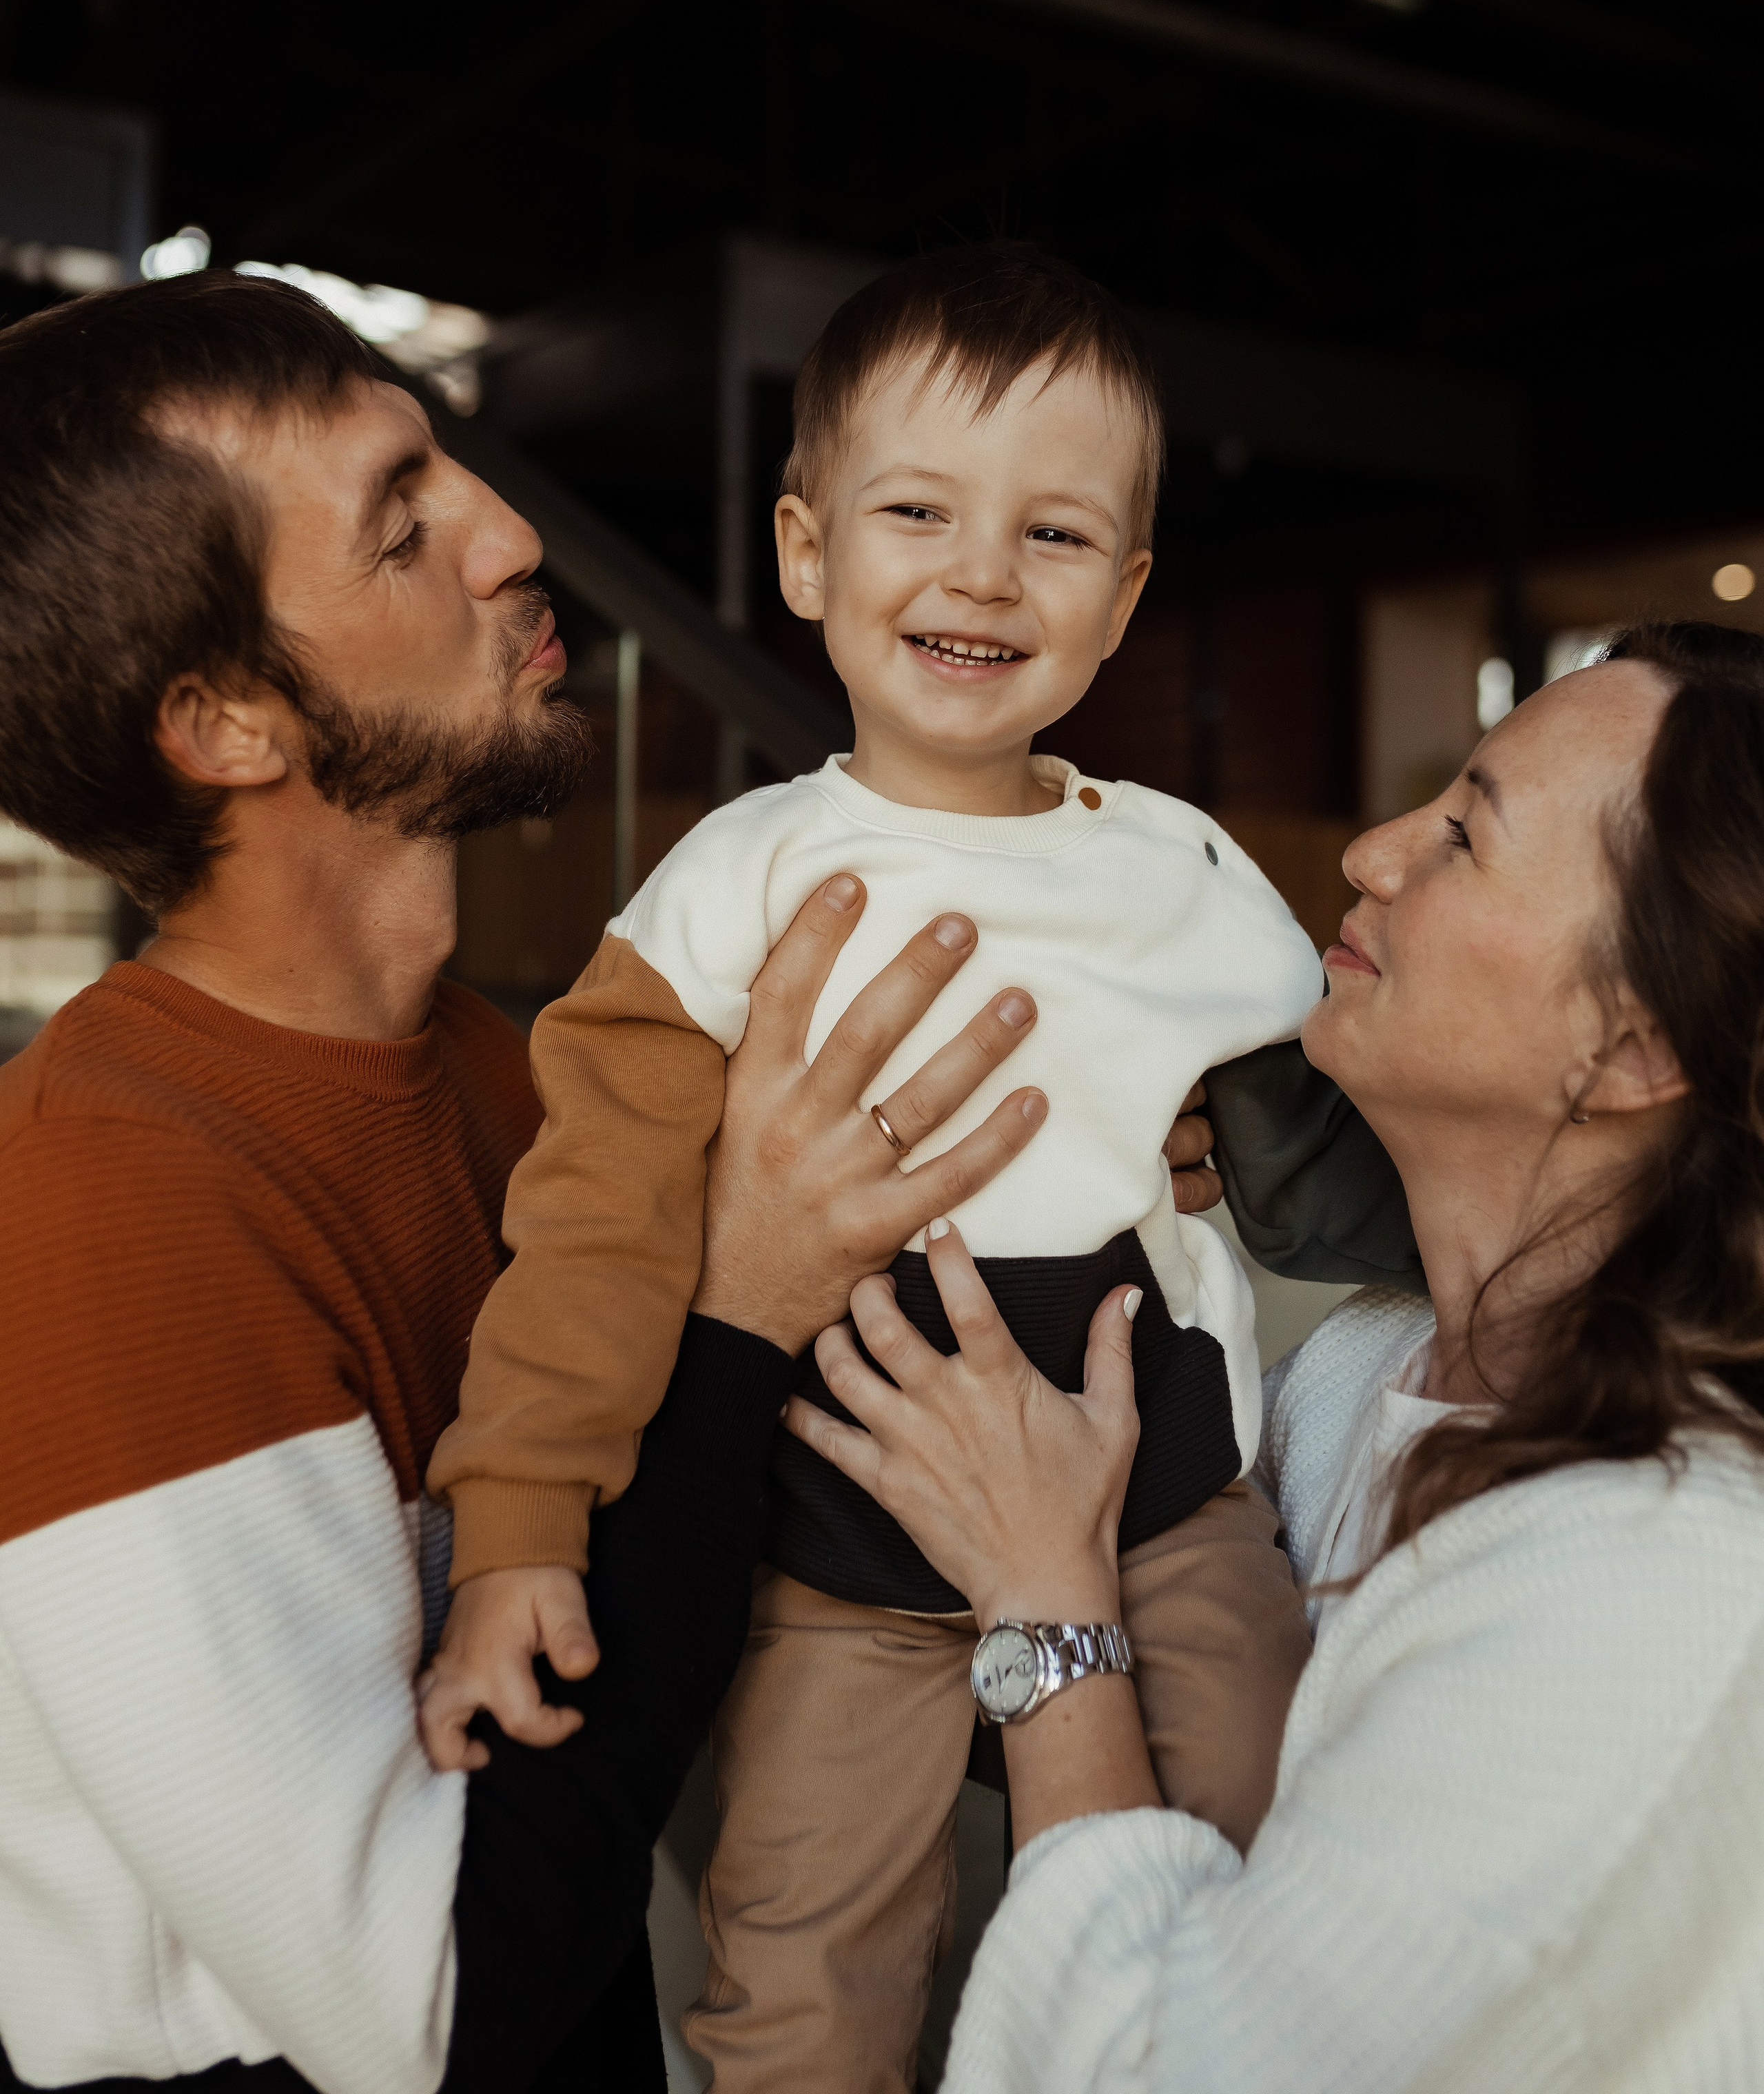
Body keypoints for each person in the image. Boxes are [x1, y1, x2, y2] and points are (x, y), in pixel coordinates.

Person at [0, 270, 1057, 2094]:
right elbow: (434, 2007)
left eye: (452, 471)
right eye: (402, 527)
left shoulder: (507, 1074)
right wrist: (735, 1312)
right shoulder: (105, 1212)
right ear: (230, 723)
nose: (507, 538)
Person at [418, 245, 1406, 2090]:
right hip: (829, 1536)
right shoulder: (727, 890)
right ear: (805, 555)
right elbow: (590, 1238)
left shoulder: (1188, 876)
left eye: (1053, 534)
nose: (981, 572)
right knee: (802, 1972)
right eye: (918, 511)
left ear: (1122, 599)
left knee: (1268, 1862)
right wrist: (517, 1533)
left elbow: (1340, 1167)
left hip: (1159, 1503)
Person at [784, 619, 1764, 2092]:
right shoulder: (1361, 1370)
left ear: (1632, 1050)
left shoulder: (1660, 1599)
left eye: (1463, 837)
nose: (1372, 853)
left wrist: (1046, 1599)